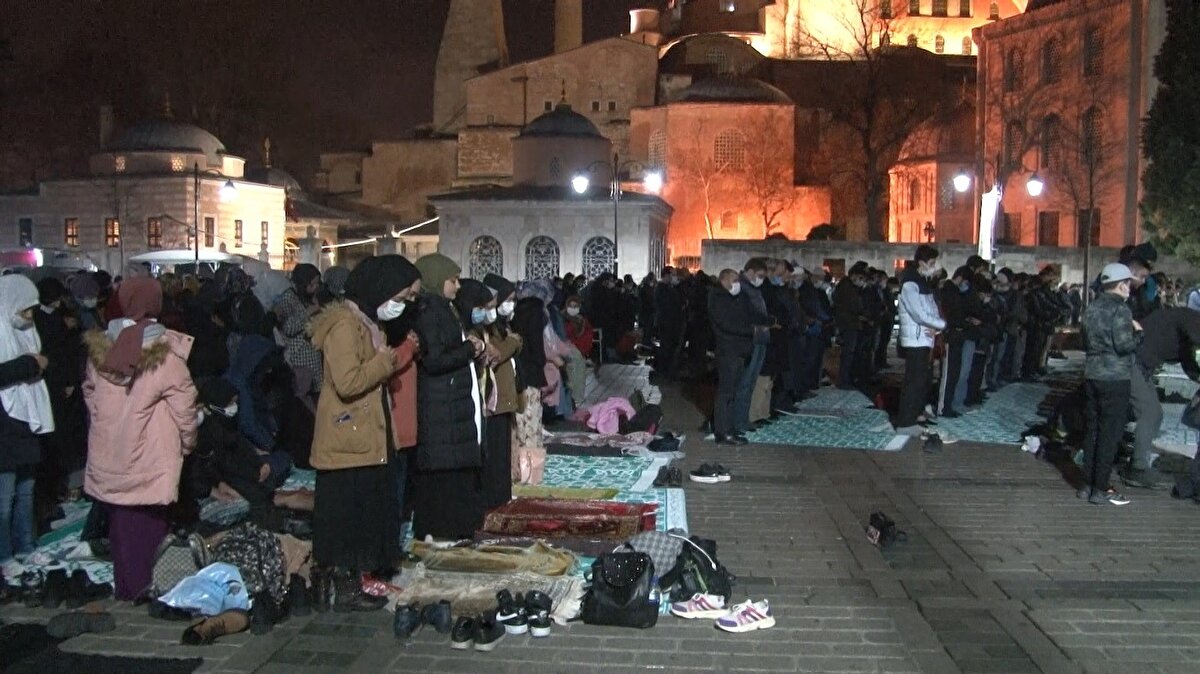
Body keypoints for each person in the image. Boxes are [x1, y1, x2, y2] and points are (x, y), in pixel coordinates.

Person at [309, 255, 416, 611]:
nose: (399, 306)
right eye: (398, 298)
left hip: (366, 434)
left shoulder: (367, 324)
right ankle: (344, 586)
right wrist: (385, 362)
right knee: (346, 516)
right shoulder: (344, 326)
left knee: (366, 509)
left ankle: (361, 575)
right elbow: (348, 381)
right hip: (347, 437)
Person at [82, 278, 197, 600]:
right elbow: (185, 409)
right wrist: (188, 442)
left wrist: (108, 422)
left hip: (112, 449)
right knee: (148, 524)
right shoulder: (165, 357)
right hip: (151, 454)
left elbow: (90, 393)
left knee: (121, 522)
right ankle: (149, 587)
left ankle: (127, 587)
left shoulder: (101, 351)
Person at [409, 254, 486, 541]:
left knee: (454, 471)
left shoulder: (444, 309)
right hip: (441, 404)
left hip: (451, 401)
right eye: (452, 280)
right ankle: (440, 530)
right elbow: (434, 359)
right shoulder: (431, 312)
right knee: (442, 474)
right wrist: (468, 349)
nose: (457, 286)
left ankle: (453, 527)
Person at [0, 275, 52, 579]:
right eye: (25, 310)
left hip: (26, 417)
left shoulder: (27, 331)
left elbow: (43, 359)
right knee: (4, 498)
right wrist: (30, 365)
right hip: (5, 422)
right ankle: (5, 554)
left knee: (26, 491)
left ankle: (24, 546)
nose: (30, 317)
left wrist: (37, 364)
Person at [1078, 263, 1142, 506]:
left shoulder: (1091, 308)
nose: (1130, 289)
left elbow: (1084, 341)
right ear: (1121, 284)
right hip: (1115, 378)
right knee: (1110, 433)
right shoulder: (1121, 310)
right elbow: (1124, 345)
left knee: (1092, 430)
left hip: (1092, 375)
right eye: (1128, 284)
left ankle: (1086, 483)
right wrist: (1138, 333)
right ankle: (1100, 488)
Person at [455, 279, 522, 510]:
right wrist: (509, 344)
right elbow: (493, 354)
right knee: (490, 456)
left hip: (500, 398)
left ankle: (500, 500)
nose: (491, 313)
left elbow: (510, 344)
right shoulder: (469, 330)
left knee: (499, 456)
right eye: (487, 307)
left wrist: (511, 344)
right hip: (488, 400)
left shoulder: (495, 327)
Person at [1123, 307, 1200, 489]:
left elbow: (1188, 360)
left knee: (1144, 412)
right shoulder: (1192, 320)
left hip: (1138, 362)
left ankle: (1129, 455)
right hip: (1135, 362)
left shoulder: (1185, 319)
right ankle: (1138, 469)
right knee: (1150, 413)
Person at [895, 246, 946, 436]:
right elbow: (919, 313)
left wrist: (936, 325)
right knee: (913, 381)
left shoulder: (921, 282)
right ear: (922, 262)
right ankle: (905, 422)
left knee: (921, 380)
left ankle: (914, 415)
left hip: (923, 338)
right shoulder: (910, 284)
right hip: (915, 339)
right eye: (931, 263)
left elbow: (930, 308)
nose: (933, 267)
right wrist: (940, 324)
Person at [709, 269, 753, 445]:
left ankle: (728, 427)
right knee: (725, 393)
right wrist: (749, 330)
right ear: (725, 280)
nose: (738, 284)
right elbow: (727, 323)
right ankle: (723, 431)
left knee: (731, 392)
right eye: (735, 280)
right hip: (728, 351)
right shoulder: (718, 298)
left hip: (737, 350)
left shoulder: (731, 298)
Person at [274, 263, 324, 395]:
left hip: (314, 357)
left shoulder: (311, 298)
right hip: (299, 359)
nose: (315, 287)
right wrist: (308, 313)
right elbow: (288, 328)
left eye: (317, 284)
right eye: (312, 284)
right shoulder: (289, 298)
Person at [832, 263, 868, 390]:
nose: (862, 282)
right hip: (848, 324)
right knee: (848, 354)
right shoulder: (847, 288)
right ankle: (843, 380)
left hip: (850, 323)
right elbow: (853, 306)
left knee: (849, 354)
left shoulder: (849, 287)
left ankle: (846, 379)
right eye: (861, 278)